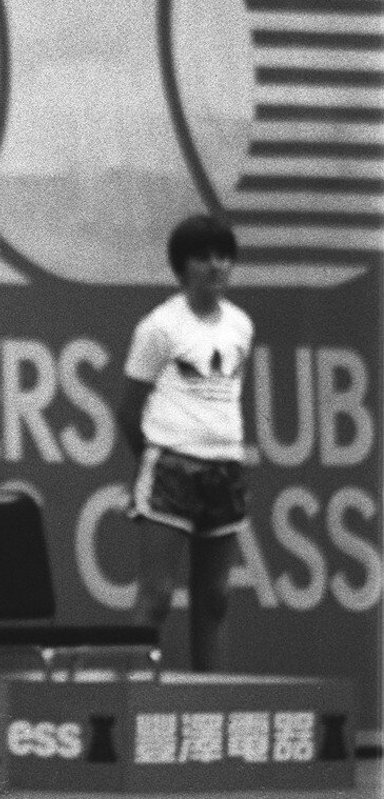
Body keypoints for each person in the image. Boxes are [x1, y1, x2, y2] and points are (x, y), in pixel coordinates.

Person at [116, 212, 254, 675]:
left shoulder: (240, 326)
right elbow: (129, 409)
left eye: (223, 257)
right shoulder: (159, 328)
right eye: (202, 257)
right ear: (182, 268)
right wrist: (159, 460)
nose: (215, 266)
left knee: (214, 600)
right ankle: (131, 710)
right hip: (170, 469)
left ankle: (209, 712)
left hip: (225, 472)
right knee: (155, 598)